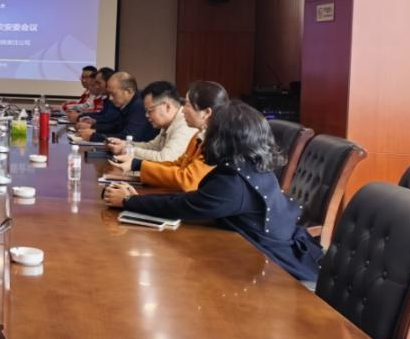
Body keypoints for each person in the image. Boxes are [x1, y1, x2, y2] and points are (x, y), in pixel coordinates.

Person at [104, 101, 323, 283]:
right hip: (259, 260)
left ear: (222, 139)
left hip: (277, 273)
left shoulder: (233, 184)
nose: (203, 136)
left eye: (209, 132)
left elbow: (183, 206)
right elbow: (193, 200)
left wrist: (129, 201)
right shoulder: (252, 166)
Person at [135, 80, 228, 191]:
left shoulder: (218, 142)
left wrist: (139, 165)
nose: (183, 110)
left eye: (188, 104)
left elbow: (188, 180)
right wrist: (138, 165)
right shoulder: (198, 136)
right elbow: (180, 164)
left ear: (207, 112)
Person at [107, 81, 197, 170]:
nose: (146, 115)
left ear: (167, 107)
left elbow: (165, 159)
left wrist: (127, 150)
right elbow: (153, 146)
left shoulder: (184, 125)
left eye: (150, 111)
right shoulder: (168, 122)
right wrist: (126, 144)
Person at [76, 72, 155, 143]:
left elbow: (129, 137)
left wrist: (94, 136)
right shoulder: (126, 103)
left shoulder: (139, 105)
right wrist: (94, 129)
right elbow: (115, 126)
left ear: (128, 91)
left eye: (113, 94)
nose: (110, 98)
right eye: (109, 94)